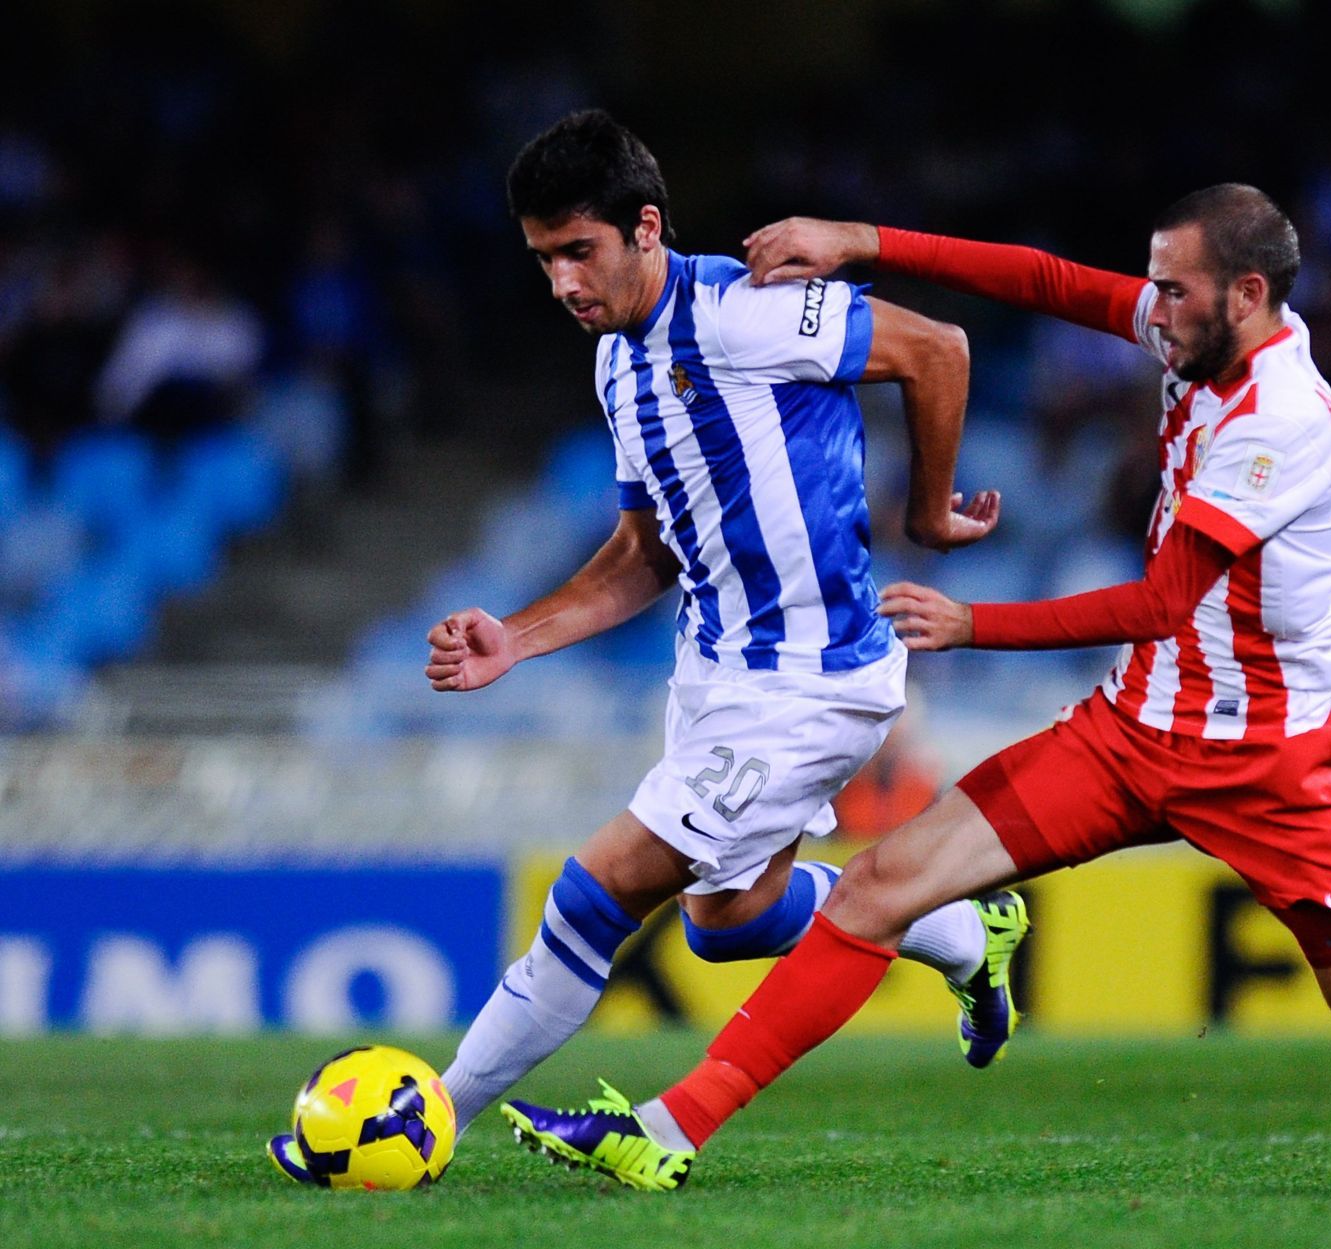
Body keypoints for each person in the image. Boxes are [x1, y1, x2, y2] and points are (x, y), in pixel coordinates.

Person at [501, 185, 1331, 1201]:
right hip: (1133, 728)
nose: (1147, 308)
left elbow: (1167, 597)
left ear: (1248, 295)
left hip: (1262, 763)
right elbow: (1045, 283)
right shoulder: (1195, 332)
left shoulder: (1283, 420)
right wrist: (861, 239)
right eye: (1150, 283)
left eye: (1172, 289)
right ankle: (669, 1129)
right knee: (882, 883)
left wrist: (973, 622)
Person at [267, 110, 1034, 1185]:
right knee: (729, 920)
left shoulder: (749, 310)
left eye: (580, 251)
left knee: (599, 887)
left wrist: (935, 508)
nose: (563, 284)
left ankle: (429, 1113)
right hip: (714, 673)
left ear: (646, 229)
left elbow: (935, 349)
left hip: (813, 678)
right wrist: (517, 637)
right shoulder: (617, 367)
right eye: (543, 261)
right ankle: (964, 927)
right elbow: (641, 553)